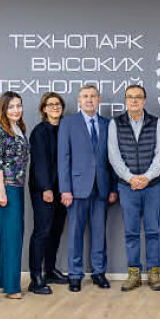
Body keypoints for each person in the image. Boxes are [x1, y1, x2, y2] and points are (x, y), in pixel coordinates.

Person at [109, 84, 160, 292]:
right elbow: (114, 155)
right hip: (127, 187)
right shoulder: (115, 123)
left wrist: (147, 177)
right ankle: (134, 273)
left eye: (138, 97)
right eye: (130, 97)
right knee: (131, 232)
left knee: (153, 231)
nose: (134, 100)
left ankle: (153, 273)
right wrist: (130, 178)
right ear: (126, 100)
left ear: (144, 100)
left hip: (153, 186)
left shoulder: (156, 122)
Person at [58, 85, 116, 292]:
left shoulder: (107, 124)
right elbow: (63, 158)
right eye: (85, 96)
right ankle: (75, 275)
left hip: (102, 187)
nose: (89, 99)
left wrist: (113, 187)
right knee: (75, 233)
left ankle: (99, 272)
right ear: (79, 100)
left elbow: (113, 159)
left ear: (99, 100)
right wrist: (65, 189)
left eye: (93, 96)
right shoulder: (68, 123)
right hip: (76, 188)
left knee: (99, 233)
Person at [0, 91, 29, 300]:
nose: (16, 110)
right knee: (12, 236)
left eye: (18, 105)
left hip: (18, 186)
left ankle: (2, 280)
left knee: (10, 234)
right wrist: (1, 191)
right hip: (6, 187)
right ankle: (12, 287)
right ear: (3, 109)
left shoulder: (19, 128)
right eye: (11, 106)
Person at [28, 92, 68, 294]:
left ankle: (50, 270)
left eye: (58, 103)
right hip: (44, 190)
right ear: (43, 109)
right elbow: (40, 162)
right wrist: (46, 188)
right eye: (50, 104)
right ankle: (35, 278)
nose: (55, 107)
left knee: (55, 231)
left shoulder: (65, 128)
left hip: (63, 189)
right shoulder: (39, 131)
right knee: (42, 232)